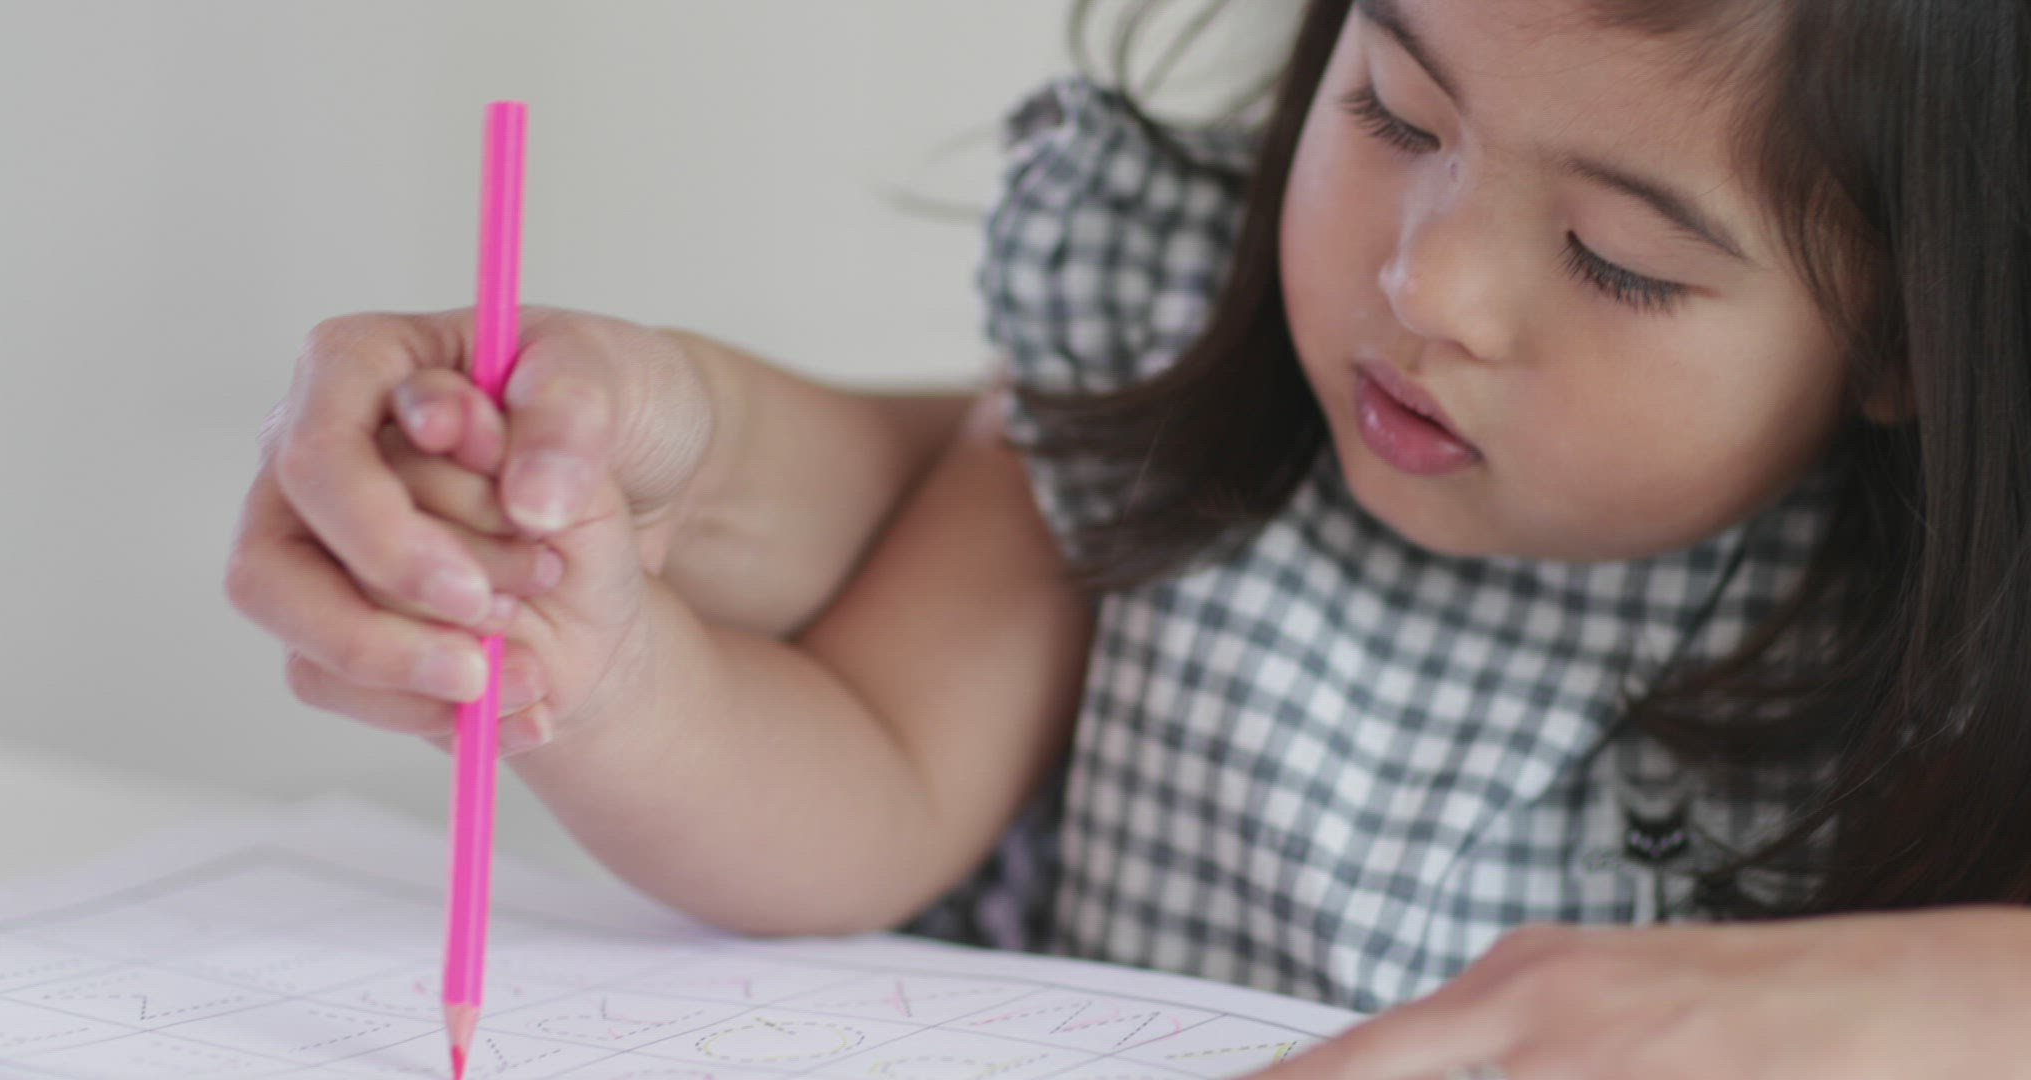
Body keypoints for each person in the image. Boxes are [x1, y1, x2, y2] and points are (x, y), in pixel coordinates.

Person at [228, 0, 2031, 1075]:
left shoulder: (1930, 650)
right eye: (1393, 112)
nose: (1429, 284)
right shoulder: (1160, 342)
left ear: (1903, 335)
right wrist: (611, 668)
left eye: (1616, 261)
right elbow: (866, 785)